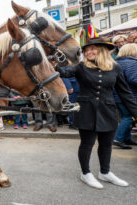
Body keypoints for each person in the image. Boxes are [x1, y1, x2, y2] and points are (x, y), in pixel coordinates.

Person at [56, 37, 137, 189]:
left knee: (106, 145)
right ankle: (85, 173)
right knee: (87, 144)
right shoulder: (81, 67)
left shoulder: (115, 67)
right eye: (86, 50)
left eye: (93, 48)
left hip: (108, 111)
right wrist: (52, 62)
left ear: (102, 50)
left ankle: (105, 172)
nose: (89, 52)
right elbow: (63, 72)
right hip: (87, 111)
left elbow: (125, 93)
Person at [113, 44, 137, 149]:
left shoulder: (118, 62)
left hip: (118, 96)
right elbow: (134, 79)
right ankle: (118, 138)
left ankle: (126, 138)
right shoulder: (132, 63)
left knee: (125, 117)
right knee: (129, 117)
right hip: (129, 96)